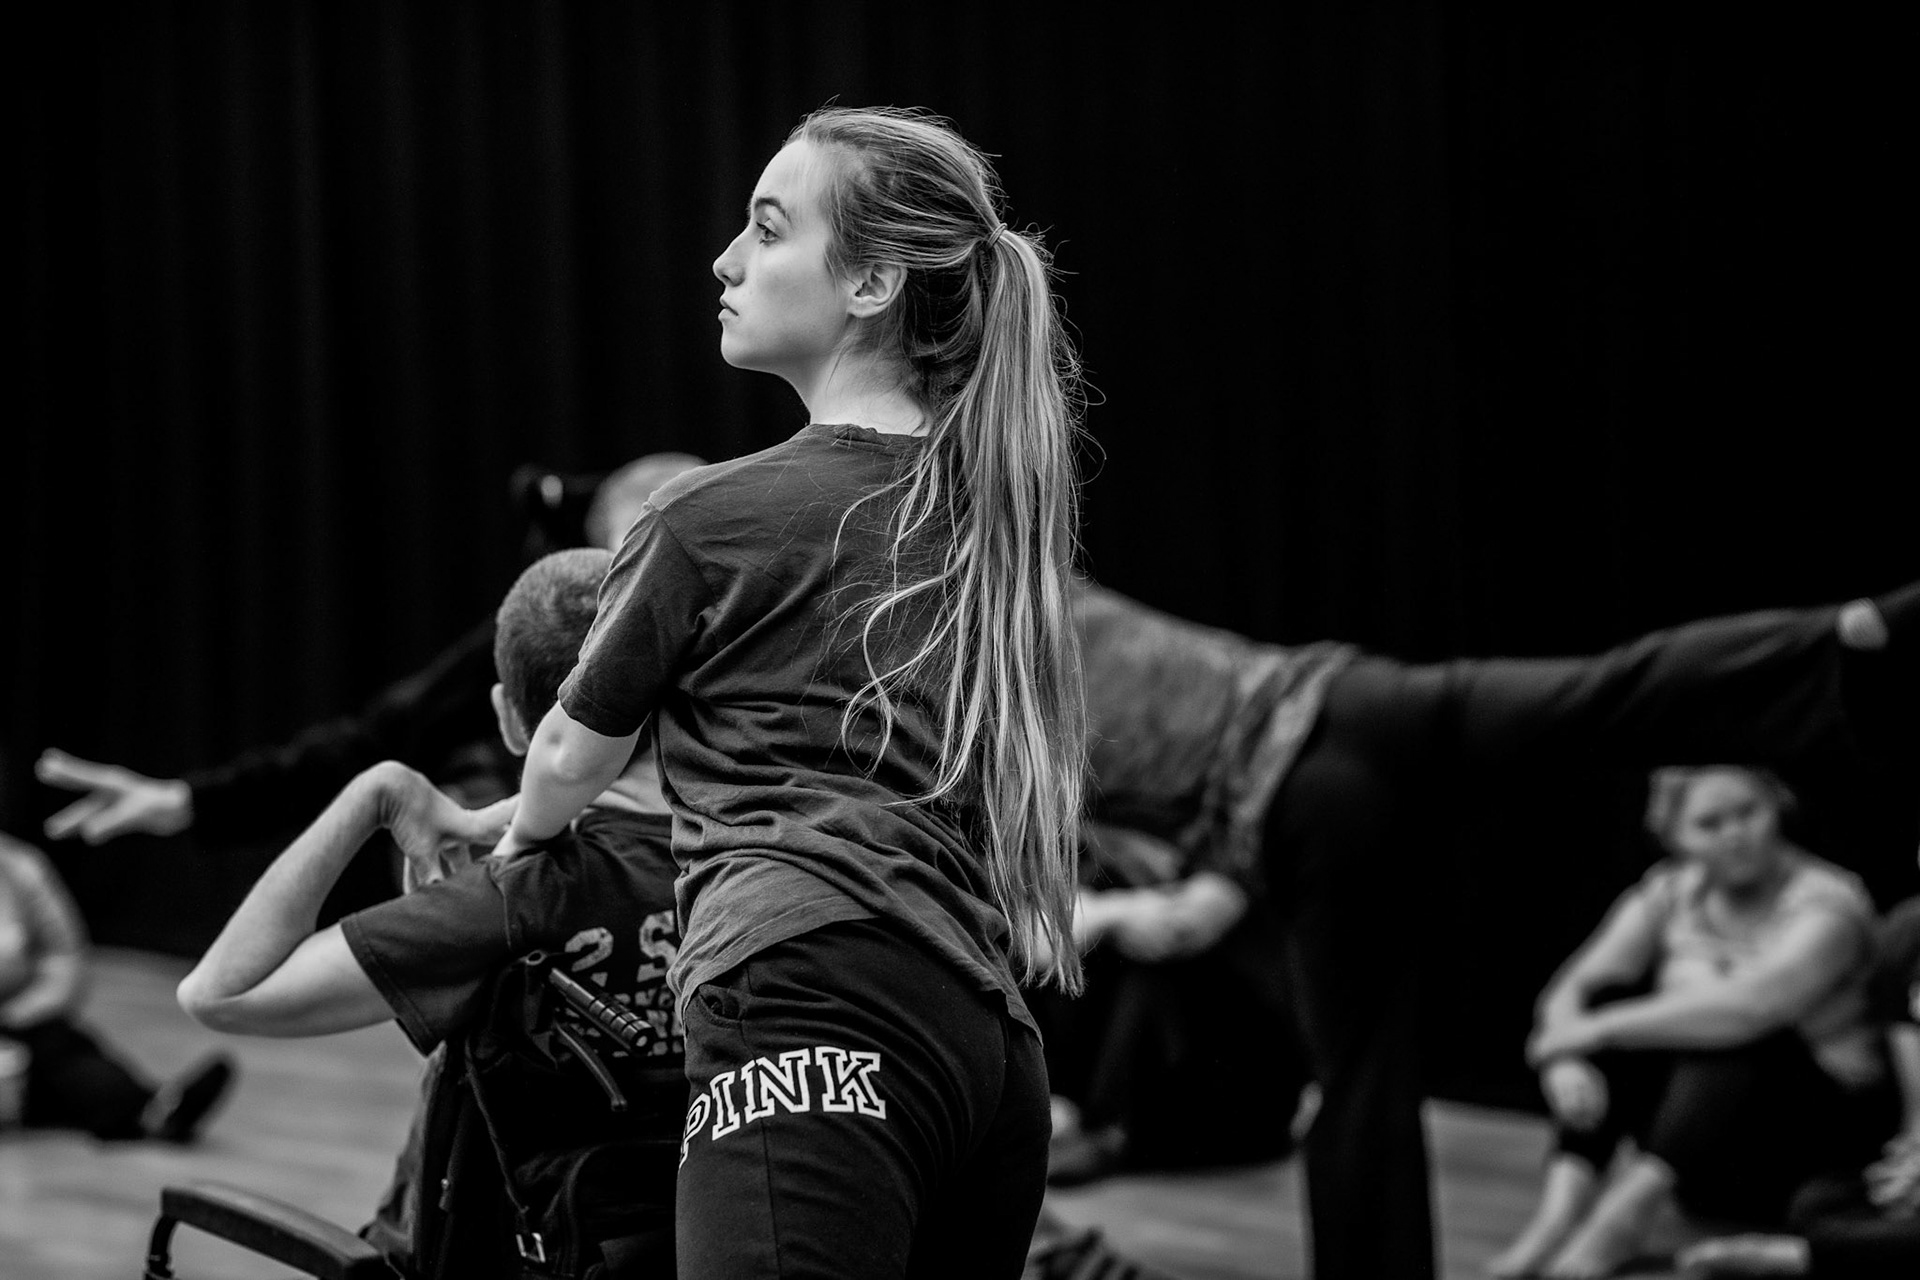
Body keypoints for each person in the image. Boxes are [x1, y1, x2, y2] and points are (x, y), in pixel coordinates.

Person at [491, 105, 1085, 1279]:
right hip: (992, 1049)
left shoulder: (704, 515)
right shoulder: (993, 521)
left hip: (804, 1010)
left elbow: (569, 752)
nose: (725, 260)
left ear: (870, 282)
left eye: (767, 230)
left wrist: (517, 839)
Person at [1062, 576, 1918, 1280]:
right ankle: (1849, 635)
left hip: (1307, 802)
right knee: (1607, 692)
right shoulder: (1043, 594)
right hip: (1364, 701)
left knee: (1359, 1089)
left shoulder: (997, 671)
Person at [176, 545, 686, 1273]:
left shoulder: (513, 898)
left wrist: (375, 792)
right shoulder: (770, 860)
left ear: (510, 721)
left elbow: (220, 993)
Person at [34, 451, 705, 852]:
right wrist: (189, 800)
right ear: (598, 560)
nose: (664, 585)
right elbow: (373, 740)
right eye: (639, 559)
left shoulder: (756, 635)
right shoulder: (559, 636)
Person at [1487, 766, 1895, 1279]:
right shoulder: (1669, 890)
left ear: (1779, 809)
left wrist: (1591, 1032)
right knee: (1621, 1009)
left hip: (1816, 1136)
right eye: (1710, 823)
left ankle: (1620, 1219)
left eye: (1748, 813)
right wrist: (1565, 1057)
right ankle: (1554, 1222)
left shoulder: (1828, 901)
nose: (1734, 834)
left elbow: (1754, 1006)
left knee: (1726, 1034)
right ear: (1674, 837)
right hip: (1698, 1139)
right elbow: (1577, 986)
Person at [1675, 884, 1920, 1279]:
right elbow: (1915, 1100)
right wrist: (1913, 1157)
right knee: (1817, 1204)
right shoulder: (1909, 930)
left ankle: (1807, 1258)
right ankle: (1854, 1254)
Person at [0, 826, 234, 1143]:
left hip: (19, 1018)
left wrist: (25, 1012)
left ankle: (152, 1110)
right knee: (47, 1074)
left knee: (64, 1048)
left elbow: (65, 955)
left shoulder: (20, 866)